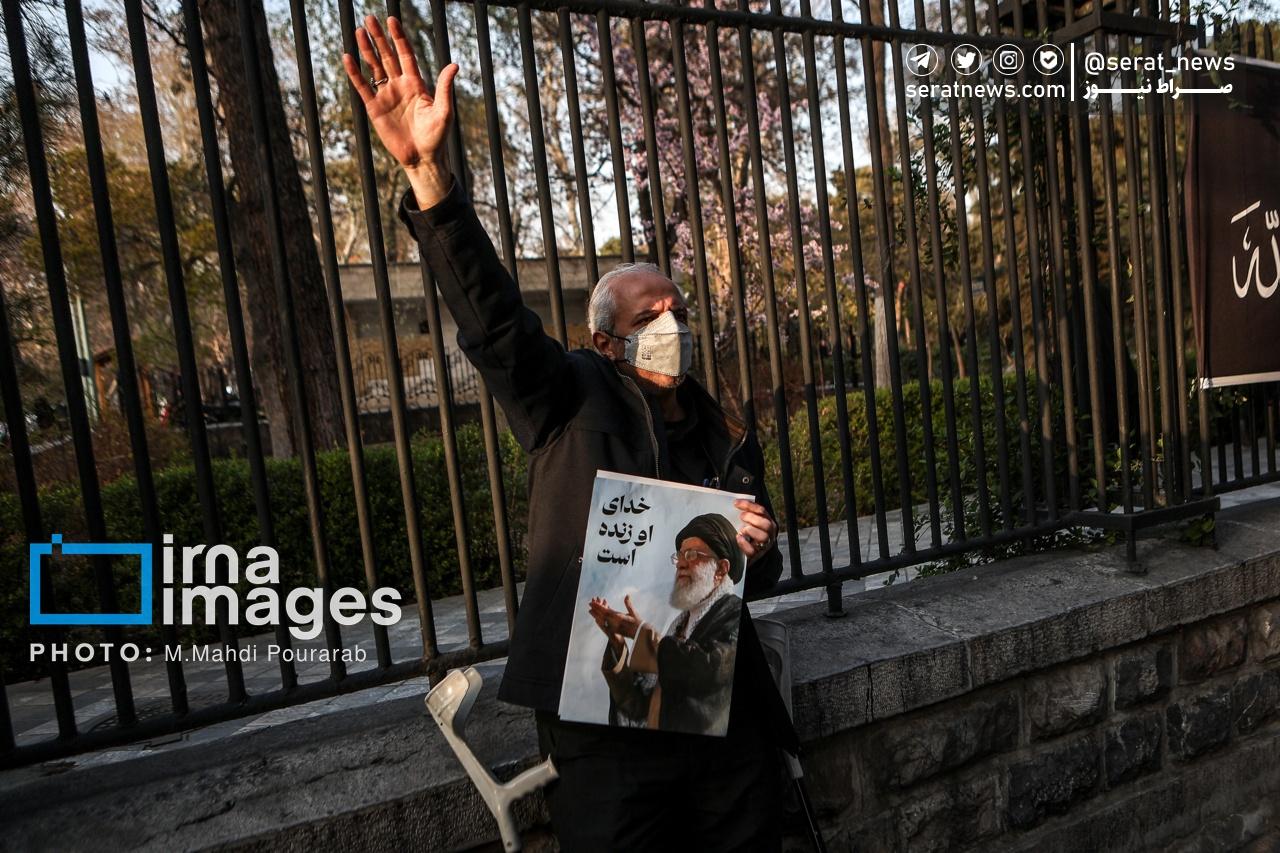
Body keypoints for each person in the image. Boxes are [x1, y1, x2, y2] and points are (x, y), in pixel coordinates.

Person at [343, 16, 798, 850]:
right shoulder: (567, 395)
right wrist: (429, 179)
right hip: (607, 718)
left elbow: (757, 580)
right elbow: (495, 323)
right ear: (606, 338)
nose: (671, 326)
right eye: (649, 316)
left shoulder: (726, 432)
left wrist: (758, 549)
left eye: (679, 310)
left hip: (718, 712)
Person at [590, 513, 747, 736]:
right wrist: (618, 644)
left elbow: (711, 670)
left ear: (721, 568)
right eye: (679, 556)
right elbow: (640, 709)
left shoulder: (735, 614)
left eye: (692, 555)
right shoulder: (679, 626)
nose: (681, 563)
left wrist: (641, 634)